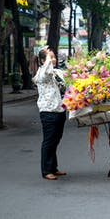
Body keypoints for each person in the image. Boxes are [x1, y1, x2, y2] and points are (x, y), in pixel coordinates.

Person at [33, 46, 67, 180]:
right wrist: (44, 54)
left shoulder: (56, 72)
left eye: (54, 57)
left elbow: (69, 79)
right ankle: (46, 171)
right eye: (50, 57)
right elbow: (47, 71)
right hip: (48, 112)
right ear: (42, 60)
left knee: (55, 140)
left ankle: (53, 167)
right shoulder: (42, 73)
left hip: (59, 110)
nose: (53, 60)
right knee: (48, 141)